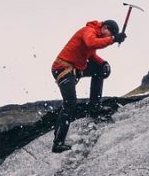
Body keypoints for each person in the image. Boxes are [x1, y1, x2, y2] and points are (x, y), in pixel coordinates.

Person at [50, 19, 127, 153]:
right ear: (105, 28)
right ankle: (58, 143)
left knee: (99, 70)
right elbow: (91, 43)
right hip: (62, 69)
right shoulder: (89, 31)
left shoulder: (95, 34)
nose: (108, 38)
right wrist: (114, 39)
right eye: (109, 34)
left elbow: (91, 55)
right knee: (70, 103)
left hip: (74, 69)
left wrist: (104, 63)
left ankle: (94, 107)